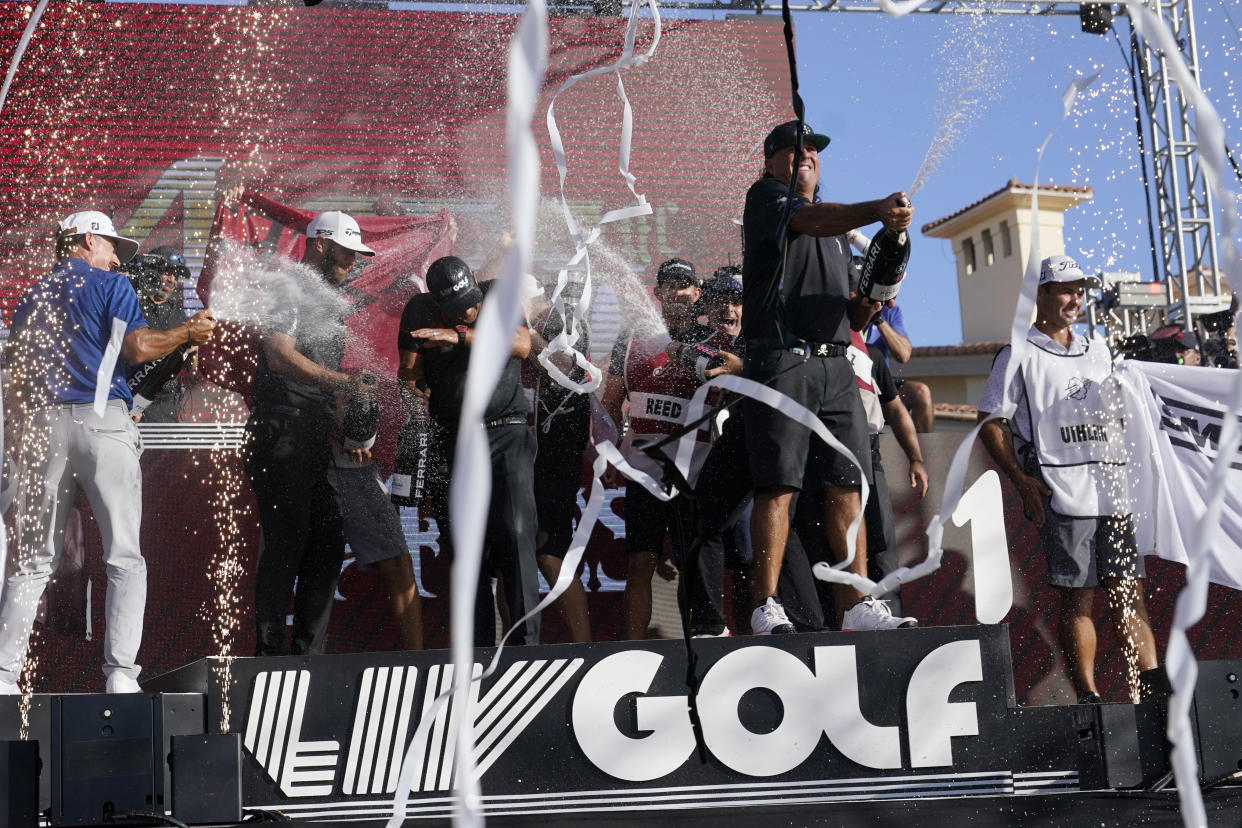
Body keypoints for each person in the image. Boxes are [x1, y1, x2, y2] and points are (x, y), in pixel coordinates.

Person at [0, 210, 216, 693]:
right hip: (101, 424)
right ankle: (120, 676)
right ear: (87, 239)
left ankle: (3, 677)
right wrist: (187, 333)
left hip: (41, 429)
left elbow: (12, 374)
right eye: (113, 246)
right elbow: (139, 348)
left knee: (34, 561)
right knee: (123, 556)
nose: (118, 258)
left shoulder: (32, 295)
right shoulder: (111, 285)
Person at [741, 119, 916, 634]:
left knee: (848, 485)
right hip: (782, 358)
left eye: (814, 151)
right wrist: (877, 211)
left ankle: (858, 603)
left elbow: (857, 316)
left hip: (837, 363)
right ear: (771, 162)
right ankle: (766, 605)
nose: (806, 157)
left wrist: (876, 291)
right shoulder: (768, 200)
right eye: (795, 151)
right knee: (778, 485)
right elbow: (814, 222)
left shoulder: (839, 237)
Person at [978, 254, 1158, 703]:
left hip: (1111, 490)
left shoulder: (1099, 350)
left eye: (1080, 290)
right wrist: (1020, 479)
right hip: (1062, 493)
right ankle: (1090, 702)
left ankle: (1155, 697)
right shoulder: (1017, 352)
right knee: (1079, 599)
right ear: (1039, 295)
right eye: (1065, 289)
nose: (1075, 298)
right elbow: (990, 422)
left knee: (1129, 595)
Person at [243, 209, 376, 656]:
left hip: (314, 435)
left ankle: (309, 658)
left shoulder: (329, 300)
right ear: (320, 243)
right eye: (345, 251)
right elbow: (279, 356)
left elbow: (323, 379)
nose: (352, 261)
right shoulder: (289, 286)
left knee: (327, 543)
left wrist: (352, 431)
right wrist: (343, 384)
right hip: (279, 431)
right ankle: (267, 657)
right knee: (287, 540)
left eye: (356, 254)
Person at [397, 256, 541, 647]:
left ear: (476, 280)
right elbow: (407, 375)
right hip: (452, 441)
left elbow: (522, 344)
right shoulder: (419, 310)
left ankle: (526, 652)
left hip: (505, 433)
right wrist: (414, 401)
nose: (470, 309)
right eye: (459, 307)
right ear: (436, 301)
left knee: (516, 537)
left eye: (471, 299)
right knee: (465, 552)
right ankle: (476, 653)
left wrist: (458, 337)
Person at [601, 258, 731, 639]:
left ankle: (699, 641)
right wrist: (610, 452)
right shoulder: (633, 337)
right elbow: (610, 401)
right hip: (645, 470)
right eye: (669, 285)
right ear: (656, 294)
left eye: (685, 285)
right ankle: (630, 649)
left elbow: (733, 391)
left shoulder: (714, 341)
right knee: (641, 561)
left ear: (698, 292)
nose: (677, 292)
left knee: (694, 559)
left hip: (696, 469)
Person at [524, 279, 592, 642]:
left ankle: (585, 647)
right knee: (511, 561)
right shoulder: (543, 322)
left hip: (556, 458)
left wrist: (526, 330)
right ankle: (516, 648)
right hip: (526, 456)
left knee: (551, 556)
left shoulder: (561, 324)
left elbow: (561, 363)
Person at [846, 230, 935, 433]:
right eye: (853, 291)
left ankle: (925, 459)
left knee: (920, 392)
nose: (857, 296)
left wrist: (878, 318)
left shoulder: (887, 310)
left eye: (860, 291)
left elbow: (903, 355)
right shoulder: (842, 307)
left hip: (879, 385)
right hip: (847, 381)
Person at [122, 246, 192, 422]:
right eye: (167, 273)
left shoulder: (179, 315)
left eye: (176, 276)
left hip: (167, 408)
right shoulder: (129, 304)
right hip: (129, 405)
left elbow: (190, 368)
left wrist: (194, 352)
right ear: (151, 271)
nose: (172, 280)